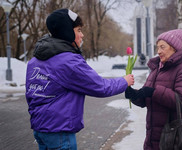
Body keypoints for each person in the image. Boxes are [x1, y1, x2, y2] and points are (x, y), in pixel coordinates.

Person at [25, 9, 134, 150]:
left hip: (40, 129)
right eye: (78, 30)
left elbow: (31, 95)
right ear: (67, 32)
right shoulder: (68, 61)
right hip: (60, 132)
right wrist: (124, 81)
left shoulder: (35, 60)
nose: (82, 35)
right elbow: (100, 87)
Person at [125, 29, 182, 150]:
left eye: (162, 47)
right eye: (157, 47)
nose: (158, 51)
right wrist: (135, 95)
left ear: (174, 48)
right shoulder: (158, 69)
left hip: (177, 138)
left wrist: (153, 91)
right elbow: (150, 98)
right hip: (156, 137)